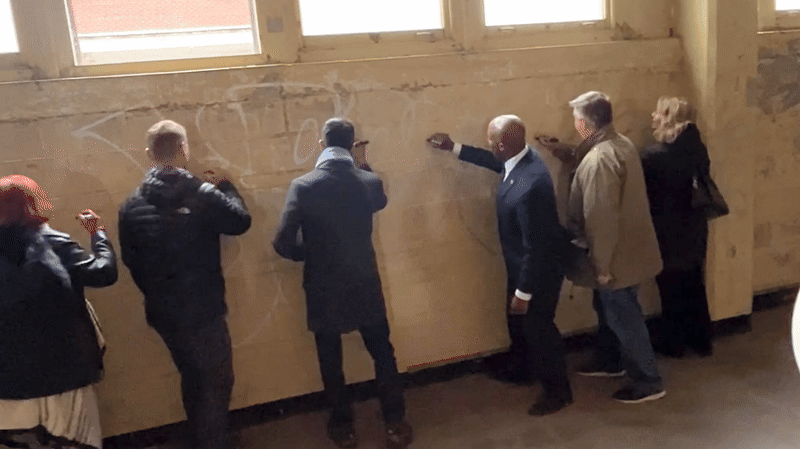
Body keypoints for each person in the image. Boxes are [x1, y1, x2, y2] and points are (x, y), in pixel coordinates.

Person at [273, 118, 413, 449]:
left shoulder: (303, 186)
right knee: (382, 351)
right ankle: (394, 421)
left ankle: (343, 427)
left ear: (322, 144)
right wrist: (363, 163)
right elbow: (379, 201)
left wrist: (311, 254)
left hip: (323, 284)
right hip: (364, 280)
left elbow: (282, 242)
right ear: (351, 145)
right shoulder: (369, 181)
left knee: (331, 358)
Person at [426, 114, 573, 416]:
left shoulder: (530, 186)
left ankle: (558, 392)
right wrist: (454, 148)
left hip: (539, 270)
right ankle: (522, 370)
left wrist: (523, 293)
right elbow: (496, 163)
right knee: (518, 324)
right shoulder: (522, 158)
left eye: (491, 141)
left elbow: (536, 248)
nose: (488, 144)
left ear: (503, 146)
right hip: (521, 264)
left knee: (539, 328)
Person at [118, 120, 251, 449]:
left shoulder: (131, 205)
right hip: (203, 309)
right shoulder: (202, 194)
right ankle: (213, 443)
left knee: (192, 377)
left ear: (149, 153)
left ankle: (201, 438)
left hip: (163, 313)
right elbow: (239, 222)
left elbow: (131, 261)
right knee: (217, 382)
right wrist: (227, 186)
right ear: (184, 150)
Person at [542, 91, 665, 403]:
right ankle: (611, 360)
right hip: (628, 251)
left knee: (625, 318)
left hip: (615, 258)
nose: (575, 124)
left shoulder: (600, 161)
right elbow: (591, 157)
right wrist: (564, 152)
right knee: (611, 310)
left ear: (585, 123)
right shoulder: (619, 143)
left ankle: (648, 380)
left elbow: (601, 217)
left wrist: (602, 266)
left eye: (576, 120)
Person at [0, 175, 117, 449]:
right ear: (33, 204)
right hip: (65, 376)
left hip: (8, 385)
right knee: (76, 442)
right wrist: (98, 234)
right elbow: (103, 273)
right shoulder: (53, 243)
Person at [640, 97, 714, 358]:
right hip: (694, 227)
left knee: (670, 288)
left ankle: (673, 343)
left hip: (667, 231)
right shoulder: (697, 148)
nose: (653, 116)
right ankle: (701, 340)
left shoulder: (655, 156)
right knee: (693, 284)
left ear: (669, 118)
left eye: (658, 112)